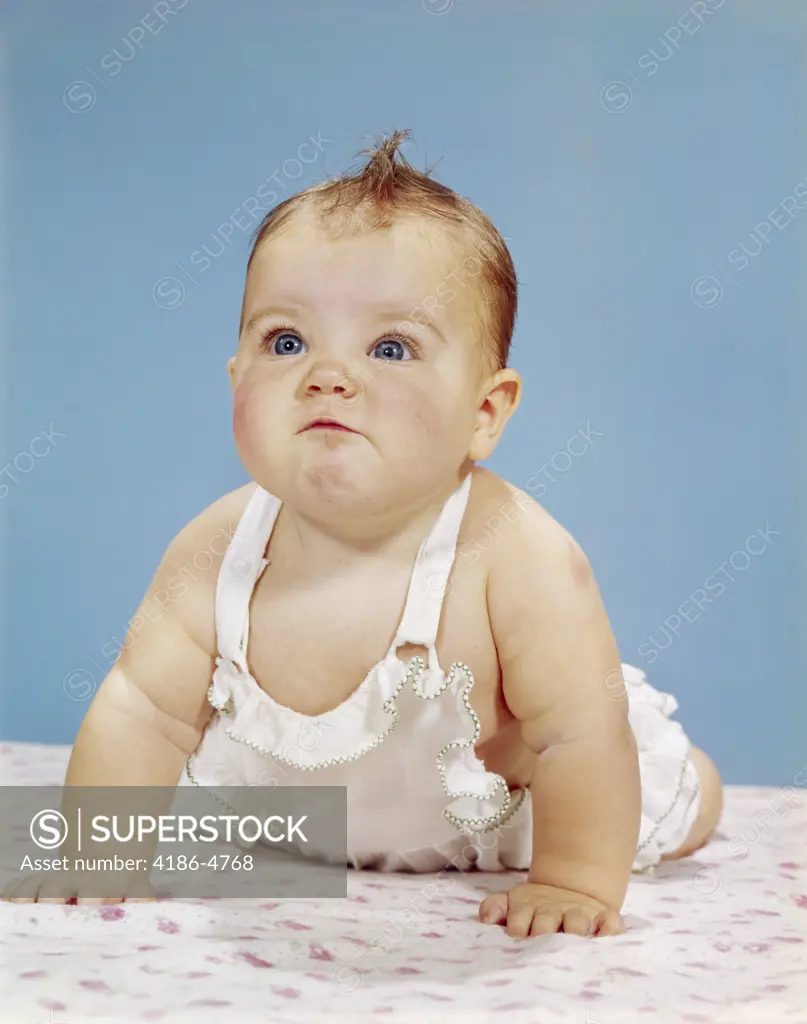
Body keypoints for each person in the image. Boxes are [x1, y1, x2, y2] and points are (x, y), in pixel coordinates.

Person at [2, 129, 722, 937]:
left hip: (498, 825)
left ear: (484, 413)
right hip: (306, 827)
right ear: (235, 377)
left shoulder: (515, 556)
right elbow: (144, 711)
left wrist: (575, 883)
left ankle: (693, 787)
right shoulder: (215, 547)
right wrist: (100, 856)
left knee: (671, 803)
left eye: (391, 348)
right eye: (286, 341)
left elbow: (577, 735)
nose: (329, 374)